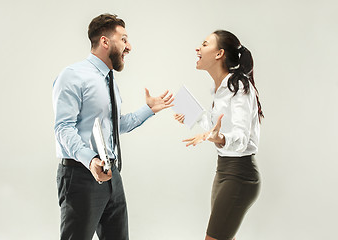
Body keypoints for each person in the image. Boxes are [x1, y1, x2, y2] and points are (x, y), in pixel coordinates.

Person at [52, 13, 173, 240]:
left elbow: (115, 125)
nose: (129, 47)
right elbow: (63, 128)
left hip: (112, 175)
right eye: (124, 39)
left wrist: (149, 110)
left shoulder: (108, 80)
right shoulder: (73, 76)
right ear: (105, 41)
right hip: (80, 175)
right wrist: (90, 160)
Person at [174, 30, 264, 240]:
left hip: (240, 175)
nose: (198, 48)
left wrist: (219, 138)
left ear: (219, 54)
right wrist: (193, 115)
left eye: (204, 44)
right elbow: (216, 126)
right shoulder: (221, 88)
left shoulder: (239, 87)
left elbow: (241, 140)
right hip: (223, 171)